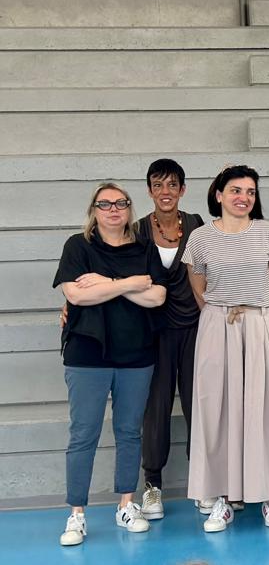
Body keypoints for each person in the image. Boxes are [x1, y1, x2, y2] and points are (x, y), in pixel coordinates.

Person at [182, 165, 269, 531]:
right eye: (235, 190)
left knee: (268, 408)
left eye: (250, 191)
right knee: (218, 411)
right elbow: (198, 282)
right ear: (219, 195)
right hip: (218, 326)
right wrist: (221, 312)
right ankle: (223, 497)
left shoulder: (268, 232)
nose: (243, 197)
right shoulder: (200, 237)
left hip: (262, 323)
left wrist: (256, 305)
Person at [53, 183, 167, 546]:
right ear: (94, 210)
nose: (113, 209)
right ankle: (76, 514)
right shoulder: (78, 246)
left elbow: (157, 297)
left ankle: (126, 505)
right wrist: (130, 283)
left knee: (129, 431)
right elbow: (76, 294)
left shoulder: (144, 248)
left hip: (137, 354)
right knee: (83, 434)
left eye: (120, 203)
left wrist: (105, 283)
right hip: (87, 354)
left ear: (130, 209)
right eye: (105, 204)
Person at [133, 159, 205, 519]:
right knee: (156, 409)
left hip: (195, 327)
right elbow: (111, 268)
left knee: (198, 406)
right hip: (153, 332)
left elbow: (213, 269)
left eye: (172, 184)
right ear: (149, 190)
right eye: (158, 185)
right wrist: (71, 302)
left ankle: (203, 483)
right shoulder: (136, 230)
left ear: (182, 189)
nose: (166, 191)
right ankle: (152, 486)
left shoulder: (196, 225)